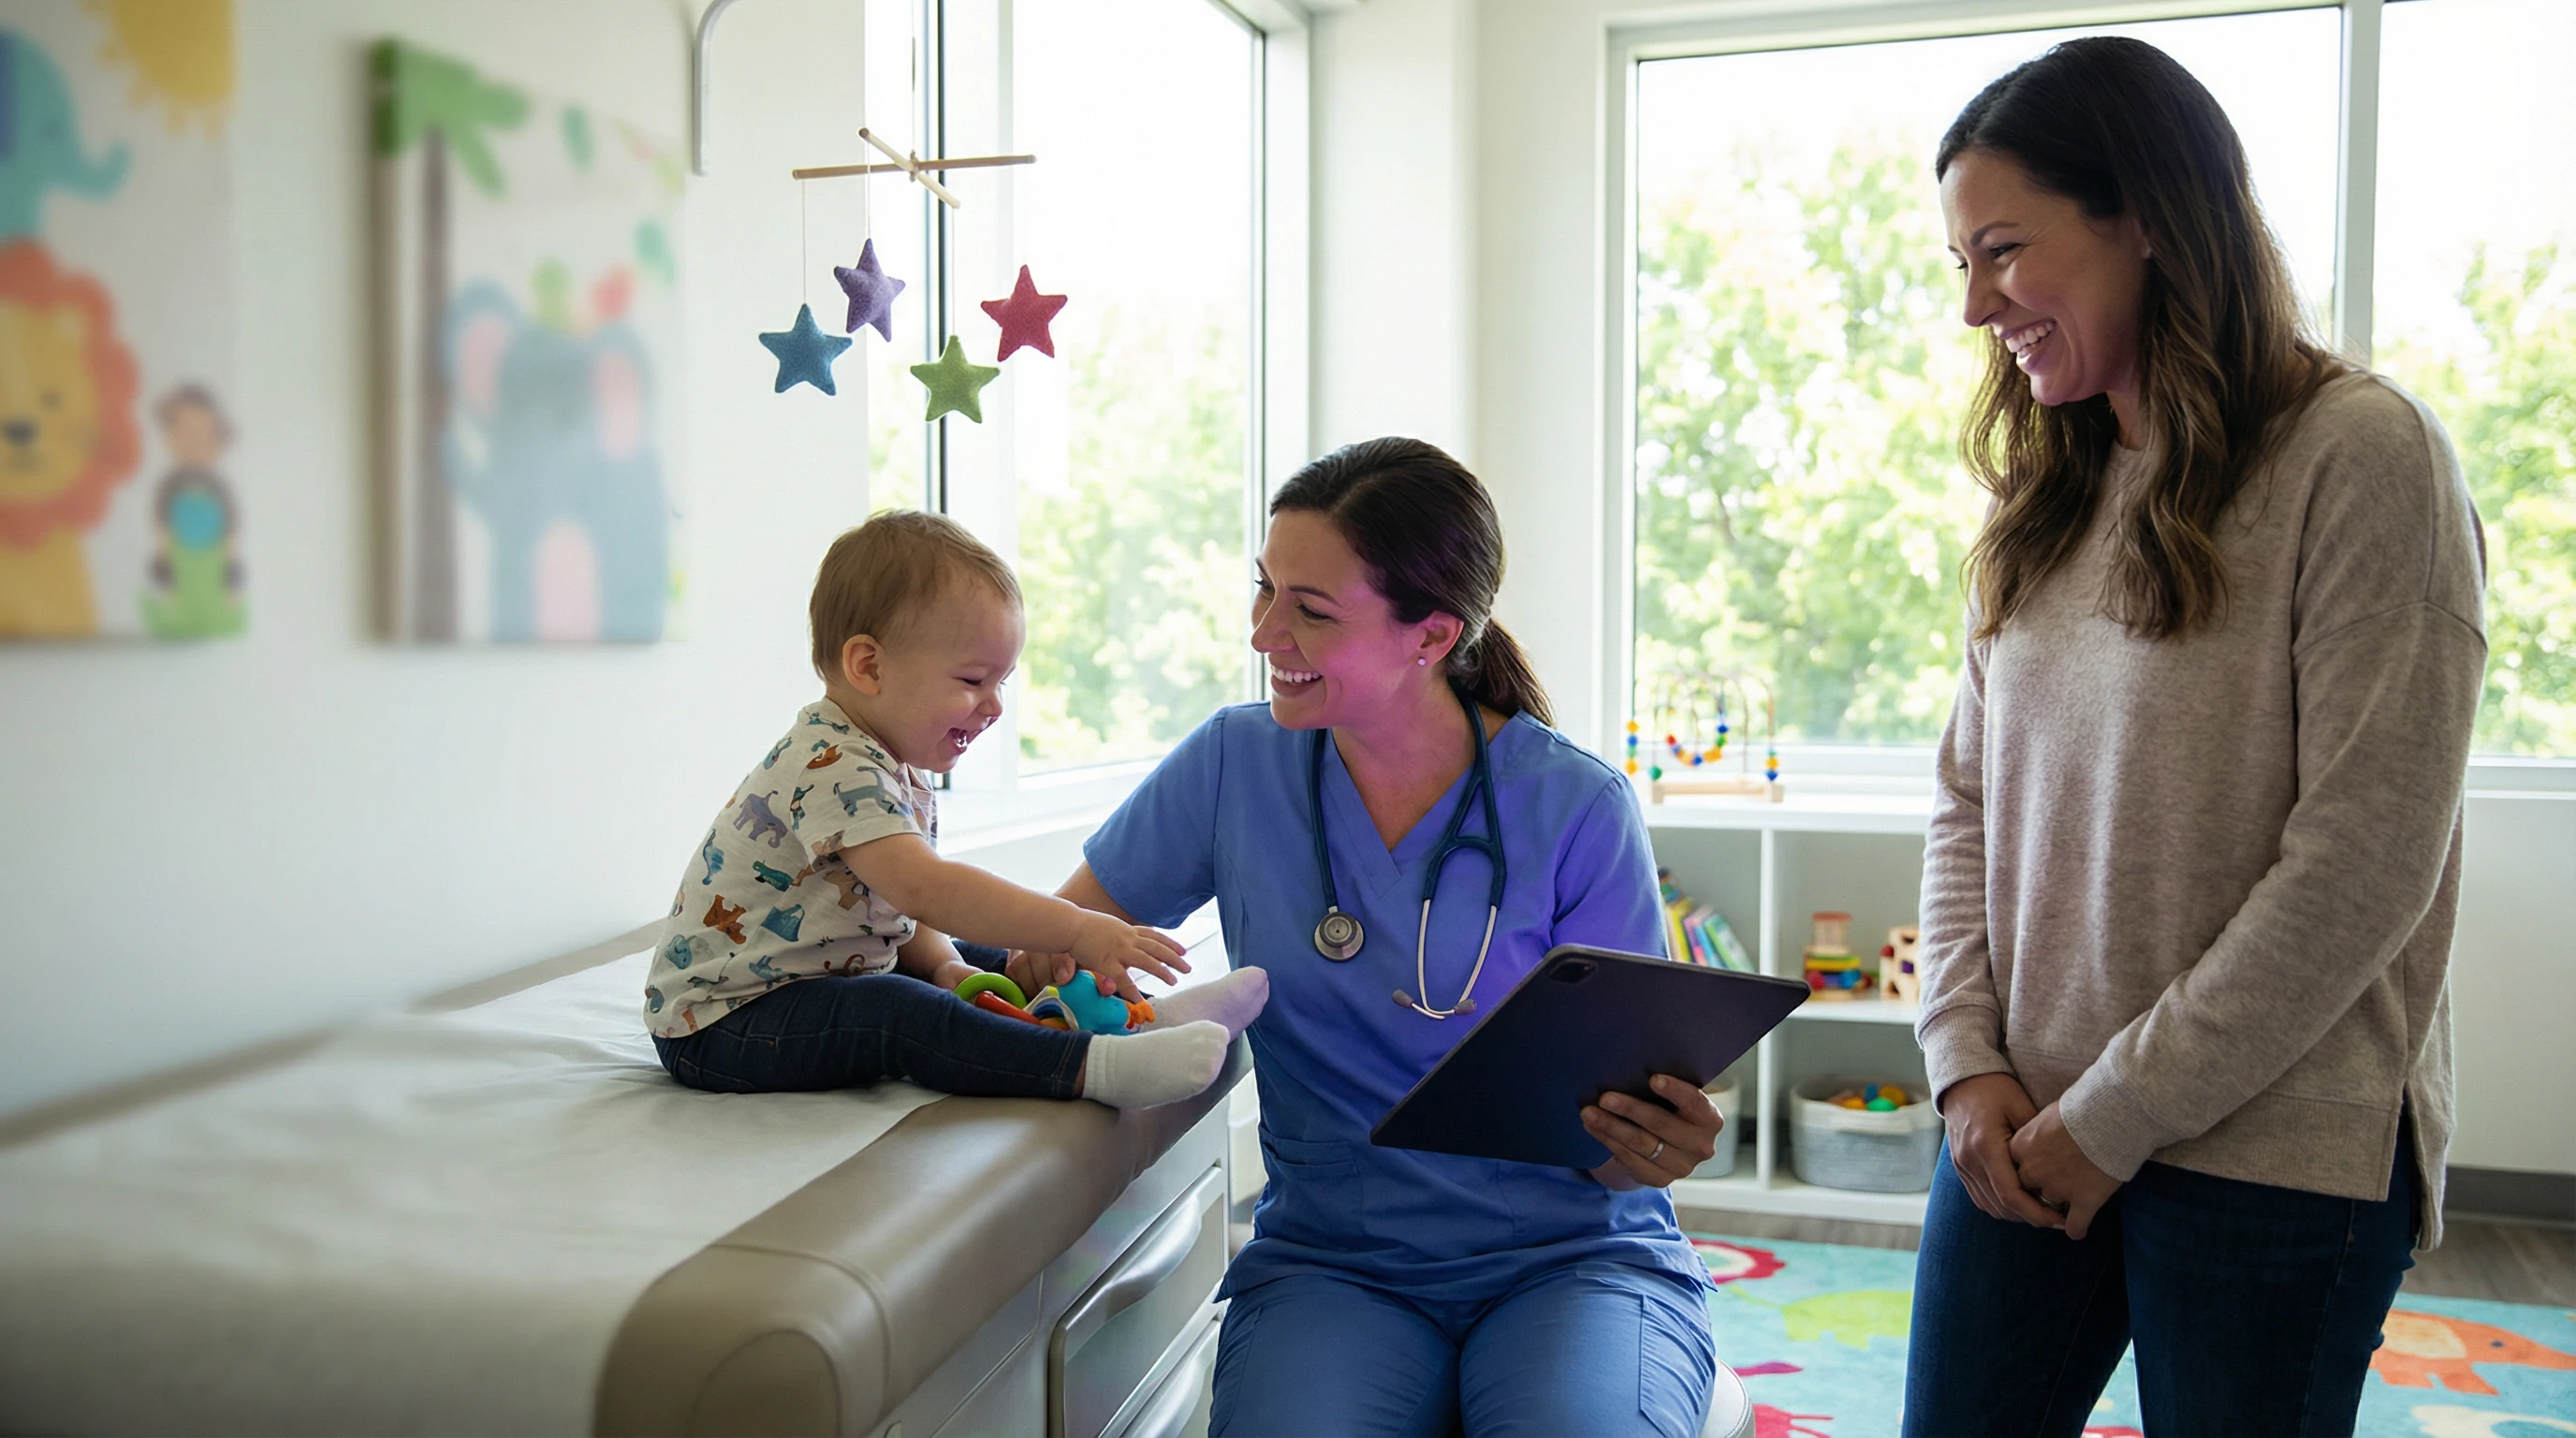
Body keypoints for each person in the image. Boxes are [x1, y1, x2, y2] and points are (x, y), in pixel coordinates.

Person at [1906, 36, 2486, 1435]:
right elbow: (1966, 804)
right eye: (1962, 264)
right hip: (2020, 1127)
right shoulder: (2045, 495)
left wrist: (2115, 1115)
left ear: (2149, 218)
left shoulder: (2365, 455)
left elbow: (2362, 863)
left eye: (2003, 251)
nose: (1976, 305)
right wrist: (1963, 1063)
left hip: (2272, 1149)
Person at [1026, 438, 1723, 1436]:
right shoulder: (1233, 766)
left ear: (1430, 636)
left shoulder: (1576, 807)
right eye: (1264, 590)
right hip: (1336, 1267)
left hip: (1575, 1262)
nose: (1265, 633)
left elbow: (1619, 1139)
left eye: (1311, 610)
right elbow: (1055, 950)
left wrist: (1650, 1144)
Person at [640, 510, 1270, 1109]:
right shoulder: (830, 764)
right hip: (724, 1023)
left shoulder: (887, 762)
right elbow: (925, 889)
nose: (994, 706)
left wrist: (947, 963)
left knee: (993, 960)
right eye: (972, 681)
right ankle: (1087, 1066)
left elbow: (892, 909)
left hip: (821, 978)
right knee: (899, 1014)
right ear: (868, 666)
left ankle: (1135, 1018)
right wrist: (1075, 926)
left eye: (1002, 682)